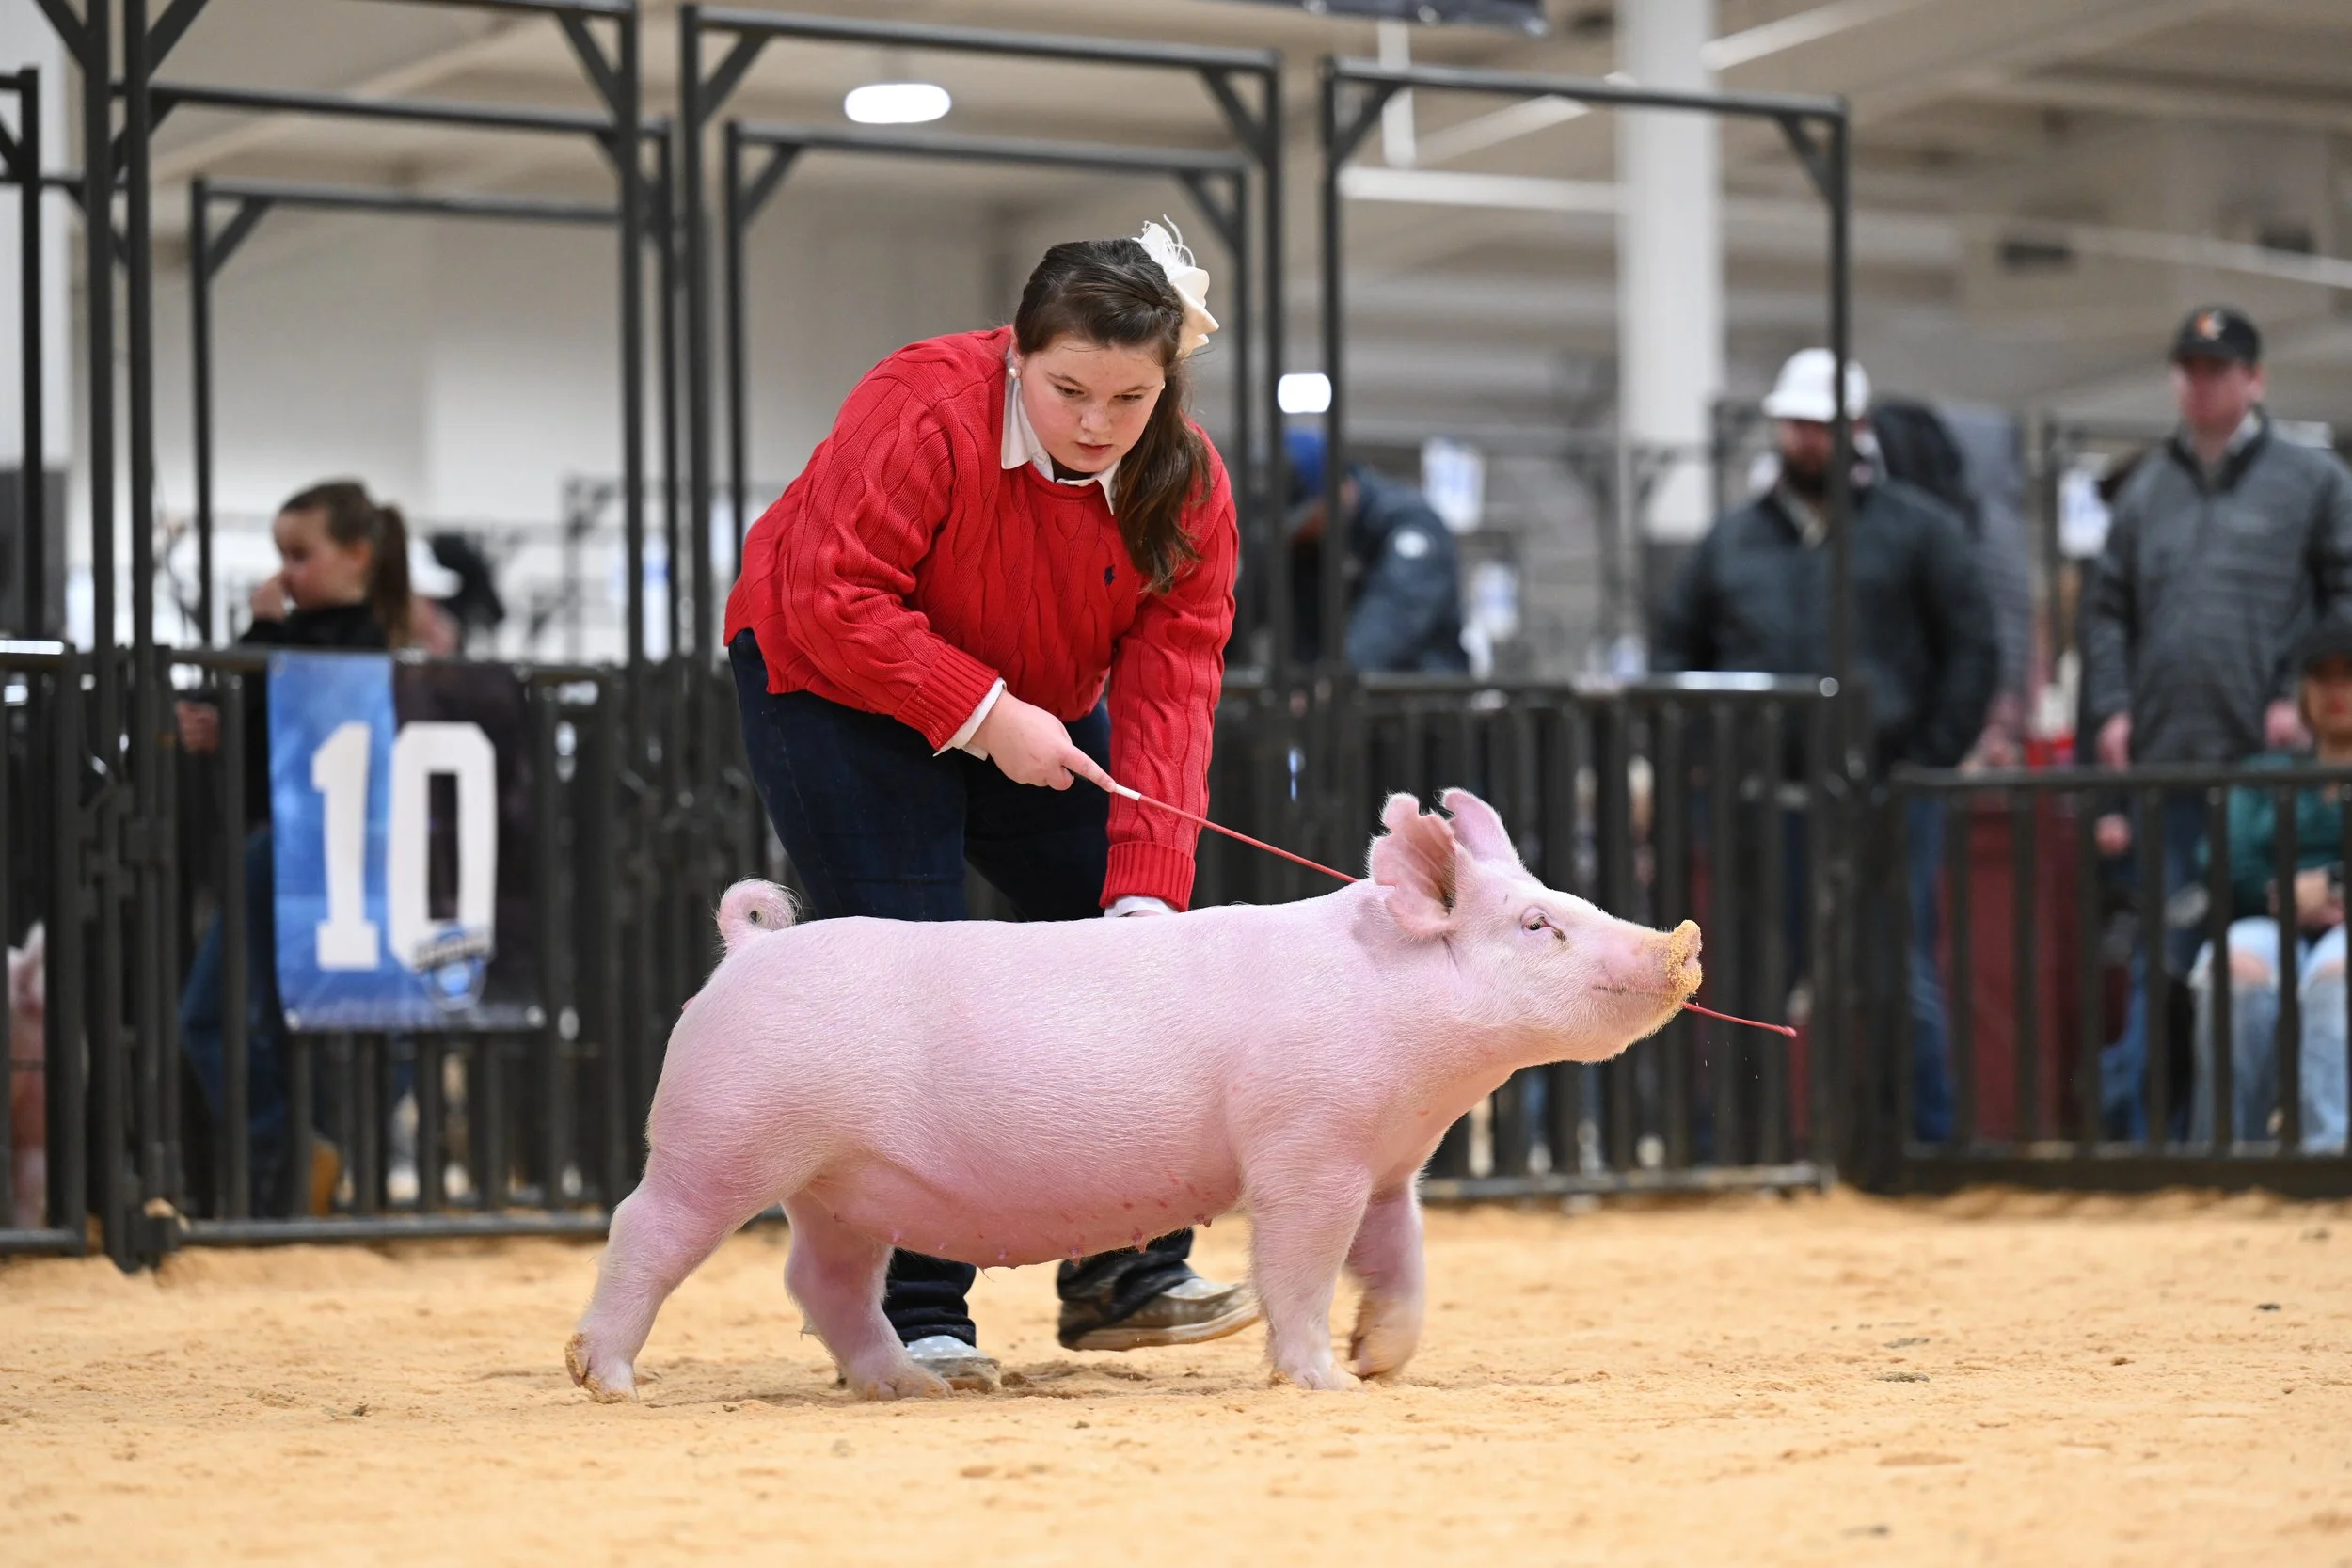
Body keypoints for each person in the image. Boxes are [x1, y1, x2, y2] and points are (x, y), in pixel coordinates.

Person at [723, 226, 1254, 1392]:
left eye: (1133, 394)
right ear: (1017, 354)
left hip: (1033, 706)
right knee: (913, 975)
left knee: (1130, 952)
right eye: (1068, 387)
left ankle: (1127, 1272)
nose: (1099, 420)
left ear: (1169, 379)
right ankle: (918, 1313)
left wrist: (1150, 884)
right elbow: (829, 595)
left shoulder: (1188, 483)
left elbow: (1176, 679)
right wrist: (980, 709)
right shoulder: (918, 402)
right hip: (830, 682)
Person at [1654, 348, 1997, 1143]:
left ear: (1858, 431)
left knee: (1897, 971)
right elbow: (1675, 648)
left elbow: (1972, 651)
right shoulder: (1731, 542)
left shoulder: (1920, 533)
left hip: (1880, 795)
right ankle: (1741, 1147)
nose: (1807, 441)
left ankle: (1916, 1142)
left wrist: (1925, 759)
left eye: (1822, 426)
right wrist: (1716, 753)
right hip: (1762, 800)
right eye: (1797, 425)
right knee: (1748, 977)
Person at [2081, 306, 2352, 1138]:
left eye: (2219, 368)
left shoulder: (2313, 482)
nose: (2201, 383)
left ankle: (2291, 1136)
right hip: (2167, 764)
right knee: (2169, 961)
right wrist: (2114, 708)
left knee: (2271, 954)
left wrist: (2291, 692)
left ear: (2254, 379)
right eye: (2190, 368)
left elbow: (2342, 597)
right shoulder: (2144, 489)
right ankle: (2165, 1137)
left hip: (2277, 769)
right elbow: (2107, 611)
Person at [175, 480, 416, 1216]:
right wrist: (219, 726)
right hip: (290, 846)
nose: (285, 574)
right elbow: (266, 721)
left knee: (217, 1016)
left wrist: (257, 636)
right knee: (269, 1022)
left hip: (300, 848)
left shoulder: (348, 639)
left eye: (301, 555)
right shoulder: (318, 635)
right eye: (281, 554)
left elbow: (298, 709)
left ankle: (286, 1152)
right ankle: (292, 1161)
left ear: (357, 556)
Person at [2187, 626, 2352, 1152]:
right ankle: (2229, 1158)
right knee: (2230, 970)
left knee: (2337, 976)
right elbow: (2221, 856)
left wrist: (2330, 886)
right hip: (2269, 916)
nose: (2337, 691)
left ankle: (2328, 1159)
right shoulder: (2265, 773)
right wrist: (2282, 893)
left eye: (2350, 676)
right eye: (2322, 677)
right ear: (2302, 693)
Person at [1283, 424, 1469, 673]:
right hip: (1346, 698)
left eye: (1309, 516)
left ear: (1339, 489)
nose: (1304, 530)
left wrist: (1330, 680)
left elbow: (1394, 618)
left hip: (1423, 697)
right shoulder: (1309, 542)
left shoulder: (1409, 521)